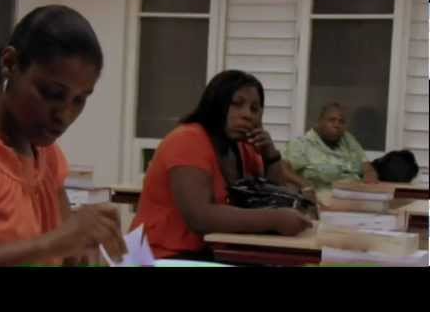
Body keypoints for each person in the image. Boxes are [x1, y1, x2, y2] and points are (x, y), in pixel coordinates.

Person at [0, 5, 126, 266]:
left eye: (79, 100)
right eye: (52, 94)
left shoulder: (46, 155)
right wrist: (48, 245)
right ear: (10, 64)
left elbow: (67, 253)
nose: (64, 115)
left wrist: (86, 247)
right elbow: (53, 244)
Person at [130, 70, 312, 260]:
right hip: (159, 255)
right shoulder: (187, 139)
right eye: (237, 104)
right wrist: (275, 220)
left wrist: (270, 156)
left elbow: (274, 198)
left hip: (211, 252)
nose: (247, 115)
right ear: (216, 104)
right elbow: (200, 217)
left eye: (255, 108)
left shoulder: (243, 147)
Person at [282, 102, 379, 200]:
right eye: (332, 120)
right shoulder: (302, 144)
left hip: (356, 197)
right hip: (323, 201)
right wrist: (303, 183)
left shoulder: (347, 139)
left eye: (341, 121)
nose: (337, 125)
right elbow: (283, 169)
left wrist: (370, 175)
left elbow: (367, 167)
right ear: (320, 121)